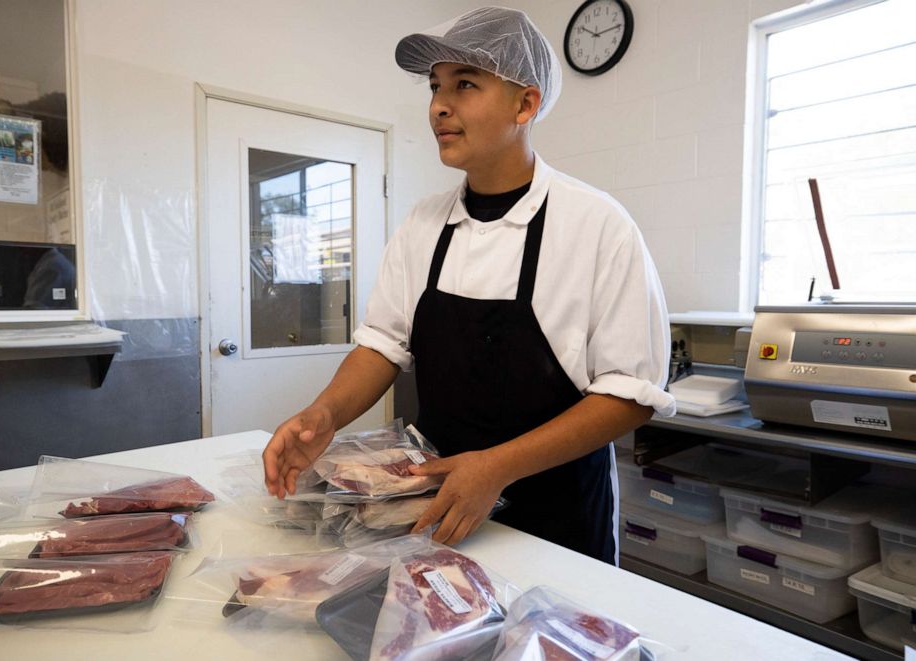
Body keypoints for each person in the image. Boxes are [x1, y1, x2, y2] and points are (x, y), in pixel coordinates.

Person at [263, 6, 674, 564]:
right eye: (435, 86)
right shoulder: (423, 224)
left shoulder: (597, 224)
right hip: (436, 510)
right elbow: (382, 345)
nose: (438, 105)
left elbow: (629, 396)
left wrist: (496, 467)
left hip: (558, 522)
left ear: (525, 103)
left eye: (465, 84)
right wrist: (325, 414)